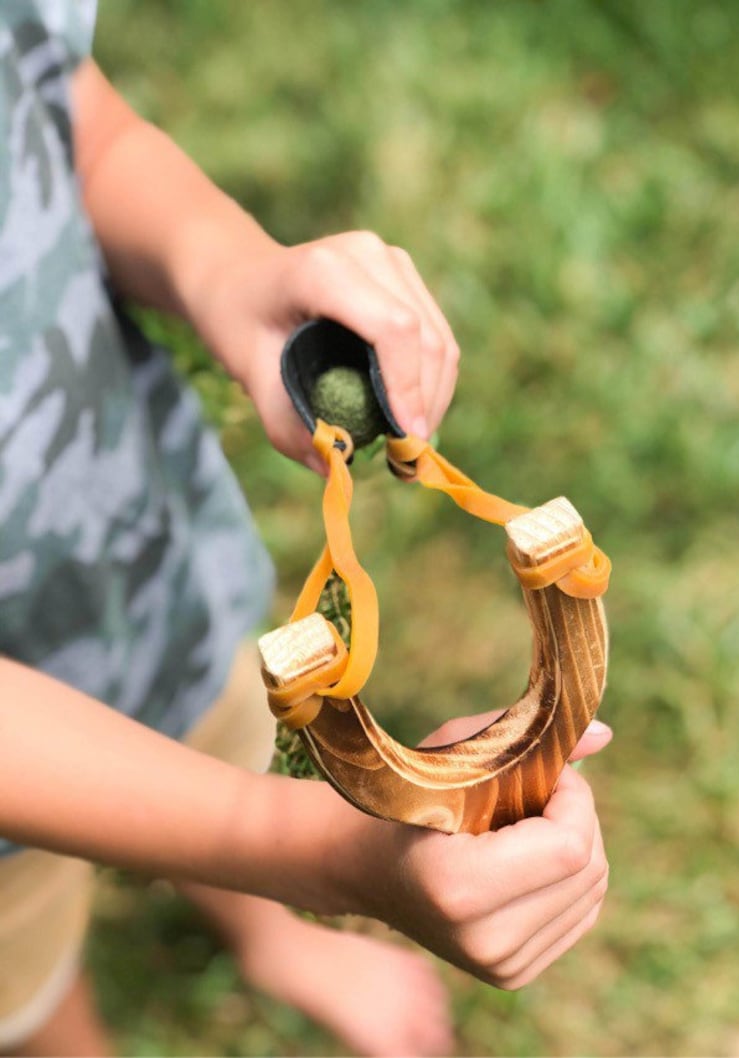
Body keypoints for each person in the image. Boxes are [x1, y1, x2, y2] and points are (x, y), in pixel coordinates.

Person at [0, 3, 612, 1056]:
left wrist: (224, 266)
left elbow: (61, 112)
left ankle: (259, 927)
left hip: (143, 569)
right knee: (27, 970)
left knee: (217, 724)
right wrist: (320, 851)